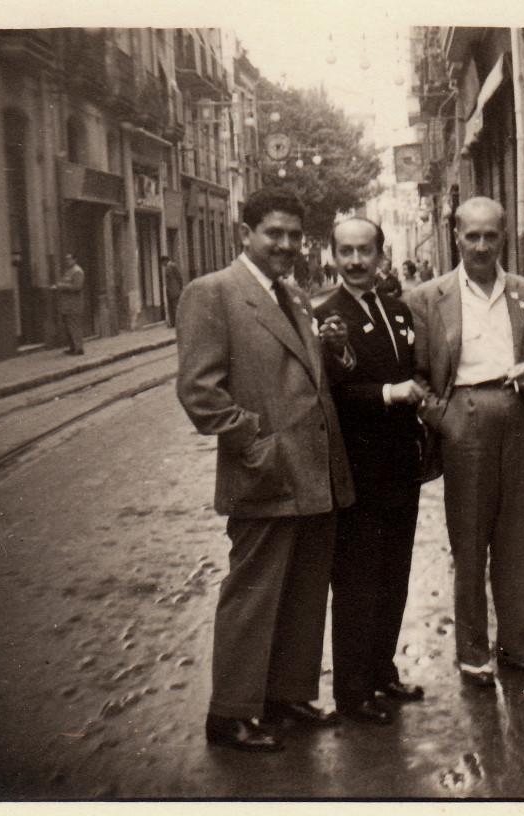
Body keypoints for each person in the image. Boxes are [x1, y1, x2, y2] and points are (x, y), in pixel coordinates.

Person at [175, 187, 355, 752]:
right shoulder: (212, 293)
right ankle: (229, 713)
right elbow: (200, 393)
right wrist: (254, 441)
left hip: (314, 471)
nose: (285, 244)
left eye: (294, 235)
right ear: (245, 234)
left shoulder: (294, 295)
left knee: (304, 588)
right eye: (273, 233)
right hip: (267, 471)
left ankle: (287, 695)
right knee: (252, 593)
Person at [406, 196, 524, 687]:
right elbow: (415, 375)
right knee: (470, 542)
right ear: (456, 236)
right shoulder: (429, 297)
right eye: (471, 235)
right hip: (464, 418)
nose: (480, 245)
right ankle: (473, 654)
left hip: (518, 415)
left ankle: (519, 647)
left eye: (490, 236)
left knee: (518, 542)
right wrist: (444, 418)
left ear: (504, 237)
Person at [316, 217, 427, 726]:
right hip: (358, 469)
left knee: (394, 574)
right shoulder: (327, 318)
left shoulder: (397, 310)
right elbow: (333, 393)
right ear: (334, 256)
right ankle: (353, 691)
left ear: (381, 255)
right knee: (358, 581)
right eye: (346, 251)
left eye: (365, 251)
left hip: (401, 464)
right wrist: (388, 393)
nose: (356, 261)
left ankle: (383, 670)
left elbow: (412, 370)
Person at [51, 253, 85, 355]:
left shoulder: (78, 271)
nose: (67, 261)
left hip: (74, 305)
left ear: (75, 260)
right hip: (66, 304)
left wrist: (61, 286)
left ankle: (79, 349)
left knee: (74, 327)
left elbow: (77, 287)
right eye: (66, 259)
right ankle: (72, 347)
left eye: (69, 259)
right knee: (68, 327)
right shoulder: (68, 271)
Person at [163, 256, 183, 328]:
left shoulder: (172, 266)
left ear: (165, 261)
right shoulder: (169, 267)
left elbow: (179, 277)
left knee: (175, 307)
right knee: (172, 307)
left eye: (163, 263)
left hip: (174, 290)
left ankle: (177, 322)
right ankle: (174, 323)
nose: (163, 265)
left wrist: (179, 287)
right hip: (171, 291)